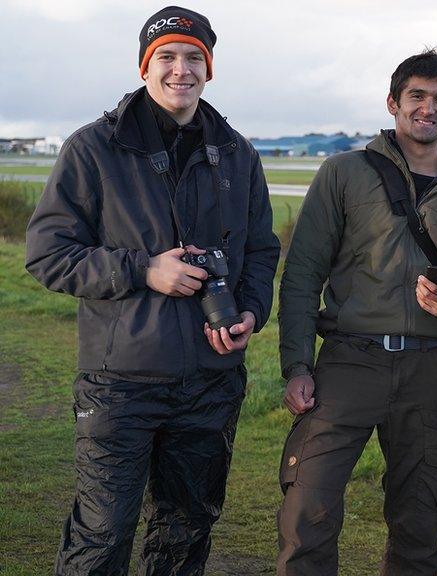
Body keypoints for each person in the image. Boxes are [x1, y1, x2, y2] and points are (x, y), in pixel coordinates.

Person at [24, 6, 280, 573]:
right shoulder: (93, 148)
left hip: (211, 383)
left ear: (209, 69)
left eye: (194, 58)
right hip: (120, 383)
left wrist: (251, 311)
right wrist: (143, 270)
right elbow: (47, 255)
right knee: (102, 535)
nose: (180, 70)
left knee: (186, 530)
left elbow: (261, 251)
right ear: (145, 66)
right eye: (166, 57)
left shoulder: (237, 153)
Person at [275, 49, 437, 575]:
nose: (428, 108)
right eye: (417, 96)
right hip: (347, 360)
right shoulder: (344, 174)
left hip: (429, 369)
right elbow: (302, 276)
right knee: (308, 508)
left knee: (421, 520)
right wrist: (296, 365)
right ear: (393, 103)